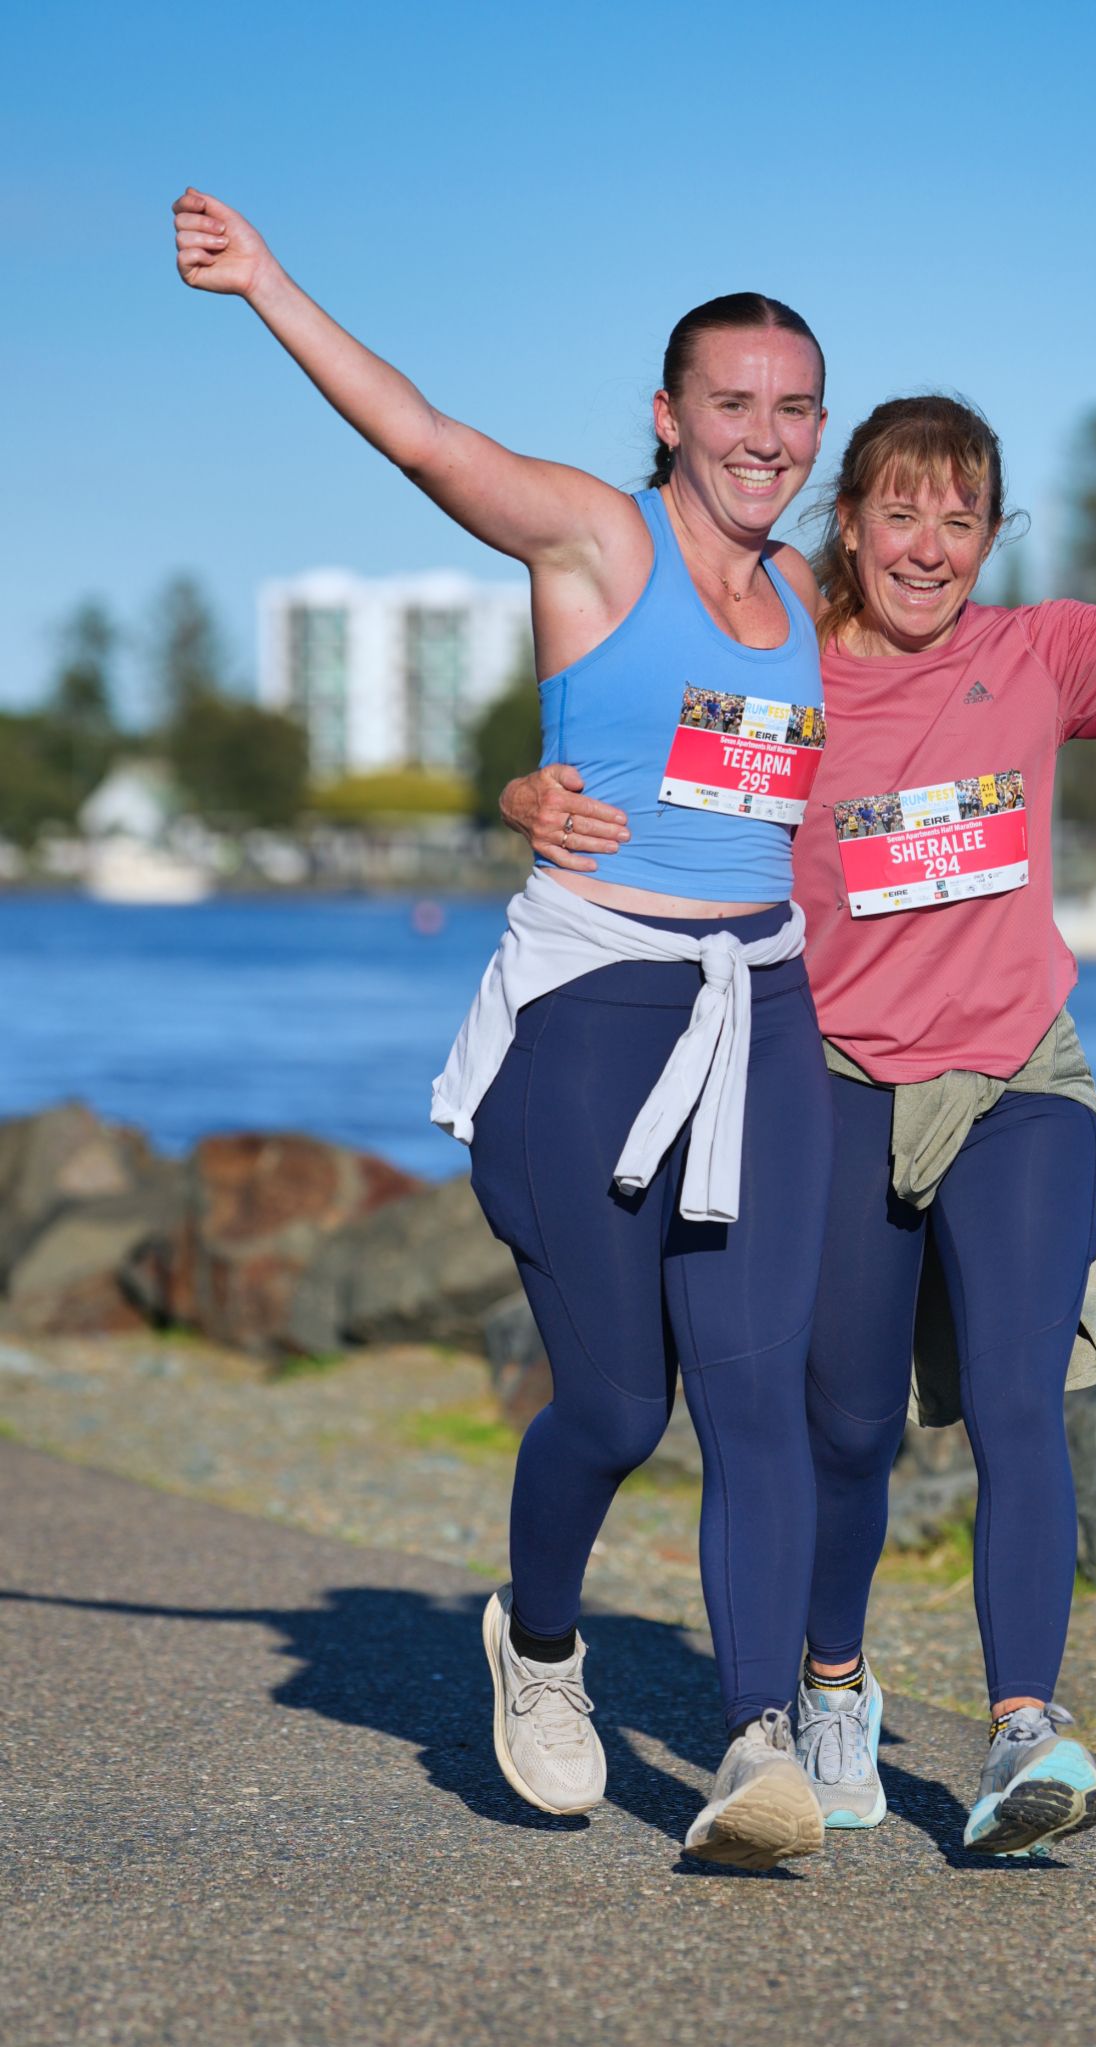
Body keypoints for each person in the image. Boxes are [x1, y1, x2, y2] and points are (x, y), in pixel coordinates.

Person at [506, 367, 1096, 1859]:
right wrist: (520, 800)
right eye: (902, 513)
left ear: (994, 539)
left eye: (964, 519)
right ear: (844, 525)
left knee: (1015, 1404)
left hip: (1014, 1082)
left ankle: (1023, 1731)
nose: (932, 546)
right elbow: (630, 788)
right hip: (839, 1081)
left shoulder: (1041, 654)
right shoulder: (787, 668)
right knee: (847, 1429)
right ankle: (834, 1688)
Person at [171, 188, 837, 1870]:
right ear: (672, 418)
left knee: (754, 1391)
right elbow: (421, 438)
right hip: (592, 1009)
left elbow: (988, 679)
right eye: (734, 405)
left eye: (794, 408)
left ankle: (758, 1744)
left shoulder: (817, 595)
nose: (766, 437)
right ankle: (539, 1649)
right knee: (616, 1409)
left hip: (760, 1005)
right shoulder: (595, 538)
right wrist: (267, 282)